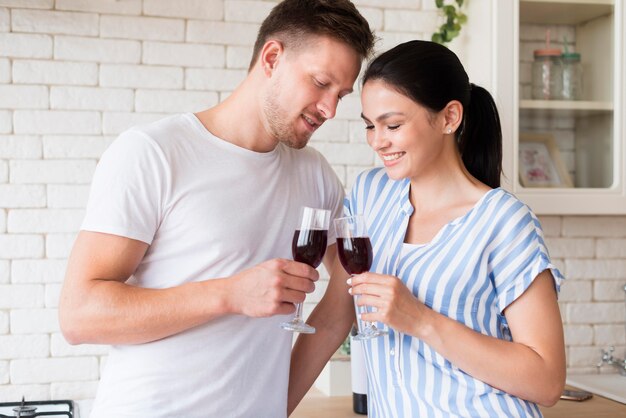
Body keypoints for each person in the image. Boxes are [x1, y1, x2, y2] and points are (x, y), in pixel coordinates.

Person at [58, 1, 374, 417]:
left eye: (341, 95)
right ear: (272, 58)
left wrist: (277, 404)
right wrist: (229, 294)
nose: (330, 109)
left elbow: (347, 289)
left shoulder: (314, 175)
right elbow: (80, 316)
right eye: (320, 83)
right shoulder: (155, 153)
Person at [289, 40, 566, 417]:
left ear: (450, 117)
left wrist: (421, 320)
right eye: (371, 126)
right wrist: (271, 406)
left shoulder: (504, 221)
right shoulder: (371, 194)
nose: (378, 141)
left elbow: (547, 380)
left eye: (393, 124)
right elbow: (336, 314)